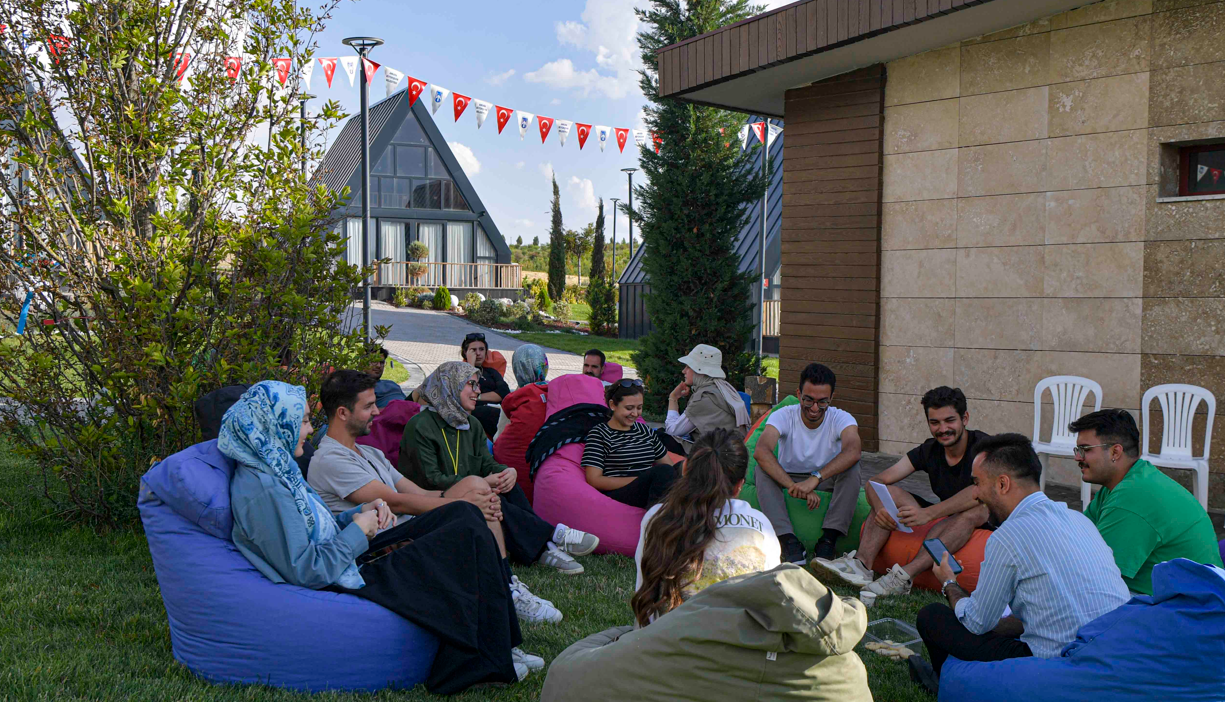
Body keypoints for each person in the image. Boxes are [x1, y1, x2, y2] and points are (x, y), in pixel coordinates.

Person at [222, 381, 542, 691]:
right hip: (348, 571)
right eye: (303, 421)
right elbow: (307, 571)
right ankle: (481, 660)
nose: (309, 429)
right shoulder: (264, 491)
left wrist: (359, 513)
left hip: (352, 550)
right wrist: (359, 531)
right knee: (461, 530)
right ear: (276, 424)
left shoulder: (279, 471)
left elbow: (321, 524)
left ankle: (502, 646)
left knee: (464, 515)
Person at [307, 370, 561, 623]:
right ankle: (507, 585)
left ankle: (506, 584)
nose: (376, 411)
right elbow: (396, 501)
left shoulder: (369, 453)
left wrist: (474, 492)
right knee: (472, 500)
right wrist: (462, 504)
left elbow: (417, 493)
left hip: (408, 526)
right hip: (385, 544)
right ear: (343, 413)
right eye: (368, 406)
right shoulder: (331, 459)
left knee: (475, 485)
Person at [909, 433, 1130, 696]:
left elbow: (977, 622)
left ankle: (945, 685)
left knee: (932, 617)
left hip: (1056, 664)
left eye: (977, 483)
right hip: (1115, 653)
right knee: (1007, 620)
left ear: (1003, 484)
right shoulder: (1080, 520)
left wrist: (948, 582)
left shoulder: (1007, 537)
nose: (975, 494)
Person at [399, 361, 599, 576]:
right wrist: (481, 483)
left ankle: (544, 547)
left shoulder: (471, 424)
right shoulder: (420, 425)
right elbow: (431, 480)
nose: (478, 391)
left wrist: (507, 471)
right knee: (490, 496)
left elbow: (487, 463)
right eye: (471, 384)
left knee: (506, 484)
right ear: (451, 386)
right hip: (433, 504)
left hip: (469, 495)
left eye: (478, 385)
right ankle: (552, 536)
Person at [820, 387, 991, 599]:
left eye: (949, 421)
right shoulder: (930, 450)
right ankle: (861, 565)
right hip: (945, 516)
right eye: (935, 422)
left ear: (964, 418)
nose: (943, 429)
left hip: (984, 520)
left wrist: (929, 513)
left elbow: (980, 491)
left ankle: (904, 577)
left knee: (979, 509)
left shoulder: (984, 448)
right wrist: (880, 508)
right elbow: (875, 482)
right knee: (889, 493)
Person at [632, 428, 779, 627]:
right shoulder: (761, 524)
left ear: (685, 469)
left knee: (598, 641)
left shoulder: (657, 517)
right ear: (739, 486)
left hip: (668, 640)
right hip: (741, 641)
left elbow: (645, 602)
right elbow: (770, 600)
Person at [1071, 408, 1223, 596]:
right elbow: (1077, 539)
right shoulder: (1124, 483)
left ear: (1115, 452)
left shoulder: (1132, 496)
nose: (1077, 457)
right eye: (1078, 450)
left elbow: (1094, 573)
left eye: (1085, 450)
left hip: (1192, 604)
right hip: (1181, 594)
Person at [753, 363, 863, 565]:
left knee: (852, 468)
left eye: (822, 402)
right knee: (761, 469)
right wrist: (794, 486)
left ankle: (828, 541)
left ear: (831, 398)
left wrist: (815, 479)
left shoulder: (842, 418)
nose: (814, 408)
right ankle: (788, 541)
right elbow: (761, 451)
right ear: (798, 394)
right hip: (789, 477)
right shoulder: (784, 415)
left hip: (824, 479)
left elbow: (853, 451)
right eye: (808, 399)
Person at [582, 379, 680, 508]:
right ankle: (659, 517)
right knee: (662, 472)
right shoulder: (600, 433)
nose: (635, 413)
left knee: (684, 468)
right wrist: (642, 479)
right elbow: (594, 479)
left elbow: (669, 466)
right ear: (613, 405)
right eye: (629, 408)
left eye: (639, 408)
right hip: (620, 492)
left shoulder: (644, 430)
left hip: (651, 486)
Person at [664, 343, 751, 454]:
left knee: (661, 438)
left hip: (716, 457)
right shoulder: (724, 387)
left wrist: (673, 398)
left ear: (699, 370)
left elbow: (672, 431)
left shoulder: (704, 396)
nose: (683, 371)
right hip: (732, 452)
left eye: (688, 367)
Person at [492, 344, 551, 501]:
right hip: (545, 472)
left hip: (512, 475)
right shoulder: (555, 391)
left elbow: (498, 437)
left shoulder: (515, 398)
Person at [461, 332, 510, 440]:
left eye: (482, 349)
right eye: (473, 350)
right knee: (487, 412)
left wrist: (476, 397)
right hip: (476, 413)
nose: (478, 353)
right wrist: (470, 366)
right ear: (465, 352)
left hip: (497, 411)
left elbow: (504, 392)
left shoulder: (491, 372)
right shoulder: (460, 371)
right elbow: (464, 393)